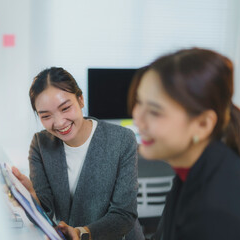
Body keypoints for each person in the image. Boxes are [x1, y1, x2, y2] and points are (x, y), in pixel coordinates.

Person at [130, 48, 240, 240]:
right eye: (139, 102)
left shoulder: (216, 213)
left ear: (202, 124)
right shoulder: (192, 172)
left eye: (154, 111)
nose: (138, 119)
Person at [12, 67, 144, 240]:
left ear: (81, 100)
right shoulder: (40, 144)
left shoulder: (121, 139)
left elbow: (123, 214)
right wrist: (31, 198)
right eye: (46, 116)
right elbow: (46, 209)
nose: (59, 123)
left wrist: (83, 233)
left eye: (65, 108)